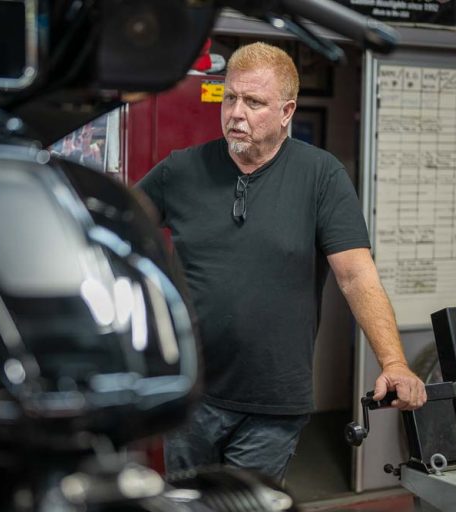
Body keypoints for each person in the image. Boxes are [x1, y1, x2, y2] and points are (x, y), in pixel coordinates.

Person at [135, 42, 427, 482]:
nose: (236, 113)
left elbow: (356, 276)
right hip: (191, 392)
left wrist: (394, 362)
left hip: (273, 402)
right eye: (230, 97)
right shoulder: (180, 171)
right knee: (187, 504)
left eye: (254, 102)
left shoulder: (321, 175)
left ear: (287, 111)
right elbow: (114, 230)